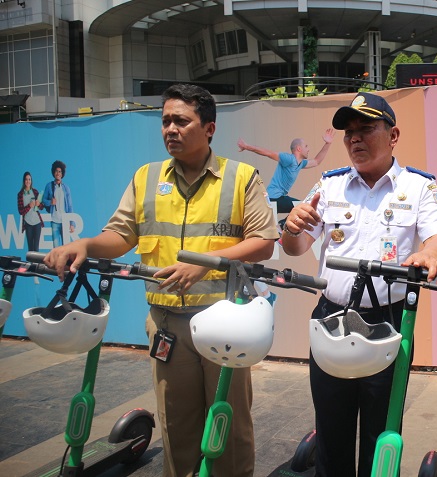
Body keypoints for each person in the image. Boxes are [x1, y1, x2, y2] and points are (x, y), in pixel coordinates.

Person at [44, 84, 279, 477]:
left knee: (229, 425)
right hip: (166, 324)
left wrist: (206, 263)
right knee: (176, 425)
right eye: (165, 120)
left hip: (226, 323)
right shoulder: (146, 178)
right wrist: (84, 244)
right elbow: (120, 237)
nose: (170, 128)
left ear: (209, 128)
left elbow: (264, 242)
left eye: (181, 121)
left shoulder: (240, 178)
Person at [281, 92, 437, 477]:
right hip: (331, 318)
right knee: (332, 427)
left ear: (393, 135)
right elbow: (296, 247)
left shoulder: (419, 187)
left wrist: (430, 255)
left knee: (381, 431)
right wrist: (291, 228)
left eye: (365, 129)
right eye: (348, 133)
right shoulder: (329, 185)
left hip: (389, 323)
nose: (354, 139)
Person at [238, 128, 336, 214]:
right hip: (273, 198)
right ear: (299, 148)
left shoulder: (301, 163)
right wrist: (247, 147)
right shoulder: (289, 159)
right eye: (306, 146)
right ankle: (282, 226)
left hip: (279, 197)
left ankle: (281, 226)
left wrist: (328, 143)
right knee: (301, 207)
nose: (308, 149)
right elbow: (268, 153)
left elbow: (316, 161)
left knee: (302, 207)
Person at [41, 160, 75, 247]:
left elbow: (70, 206)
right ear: (53, 172)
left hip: (64, 221)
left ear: (62, 173)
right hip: (54, 220)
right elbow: (43, 200)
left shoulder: (66, 188)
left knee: (66, 247)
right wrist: (50, 202)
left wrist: (71, 223)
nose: (58, 173)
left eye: (60, 171)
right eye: (56, 171)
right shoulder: (49, 186)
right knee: (56, 247)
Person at [17, 171, 45, 252]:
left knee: (36, 248)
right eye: (26, 179)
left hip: (37, 222)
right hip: (28, 223)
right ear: (24, 181)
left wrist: (38, 204)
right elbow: (21, 211)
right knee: (30, 248)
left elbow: (42, 207)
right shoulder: (20, 194)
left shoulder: (35, 192)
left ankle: (36, 264)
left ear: (31, 181)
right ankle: (31, 264)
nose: (28, 181)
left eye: (29, 179)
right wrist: (29, 206)